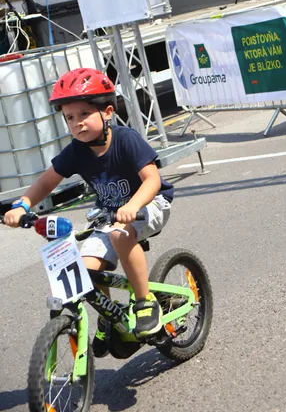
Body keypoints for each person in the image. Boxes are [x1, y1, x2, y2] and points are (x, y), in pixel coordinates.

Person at [3, 67, 174, 357]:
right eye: (70, 118)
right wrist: (21, 205)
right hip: (110, 213)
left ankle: (144, 302)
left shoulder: (125, 139)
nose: (77, 123)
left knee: (121, 235)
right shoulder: (76, 151)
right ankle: (108, 319)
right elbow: (46, 182)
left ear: (107, 112)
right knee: (83, 272)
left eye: (84, 114)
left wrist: (133, 206)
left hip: (150, 203)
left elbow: (152, 180)